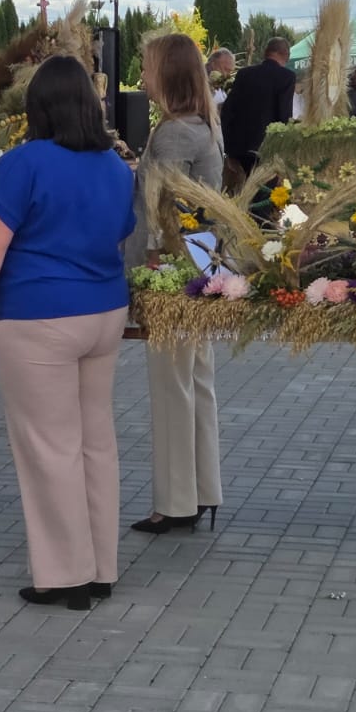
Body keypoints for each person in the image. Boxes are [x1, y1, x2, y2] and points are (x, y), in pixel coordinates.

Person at [0, 57, 135, 611]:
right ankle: (102, 568)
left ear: (37, 107)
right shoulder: (116, 166)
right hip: (104, 310)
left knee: (49, 446)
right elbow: (119, 235)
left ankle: (65, 576)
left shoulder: (24, 162)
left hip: (40, 315)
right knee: (95, 442)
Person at [127, 34, 224, 536]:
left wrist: (149, 266)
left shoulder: (172, 134)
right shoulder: (204, 125)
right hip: (201, 262)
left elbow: (160, 212)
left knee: (172, 387)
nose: (142, 78)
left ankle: (175, 502)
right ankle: (203, 490)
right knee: (196, 379)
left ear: (166, 74)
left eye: (147, 68)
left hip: (170, 269)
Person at [220, 36, 295, 180]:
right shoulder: (287, 77)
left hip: (239, 148)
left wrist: (228, 150)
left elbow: (228, 110)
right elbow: (284, 115)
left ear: (265, 52)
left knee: (241, 187)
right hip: (267, 148)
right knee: (264, 189)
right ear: (286, 55)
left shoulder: (244, 73)